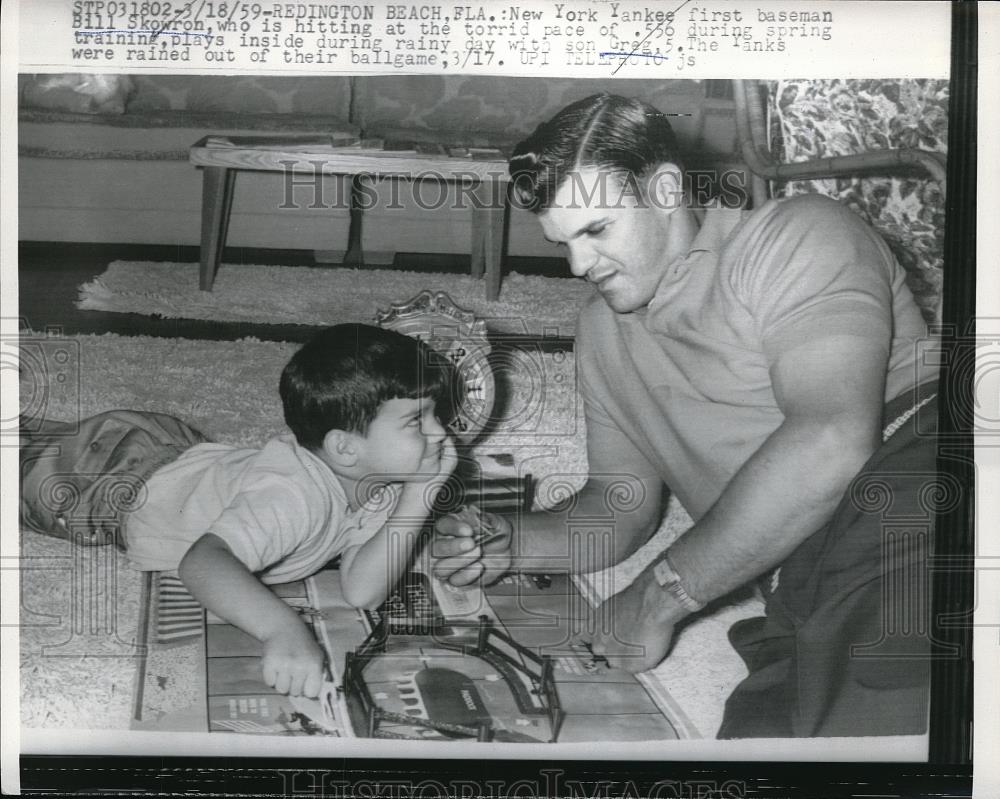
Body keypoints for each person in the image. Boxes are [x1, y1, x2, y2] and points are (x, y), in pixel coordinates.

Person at [431, 93, 941, 738]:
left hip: (914, 477)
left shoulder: (797, 233)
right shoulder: (602, 330)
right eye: (561, 241)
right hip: (797, 573)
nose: (579, 265)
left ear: (666, 189)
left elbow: (833, 440)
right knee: (764, 741)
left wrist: (658, 597)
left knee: (894, 708)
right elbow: (619, 506)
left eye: (596, 229)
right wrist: (515, 540)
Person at [21, 323, 458, 698]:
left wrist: (420, 495)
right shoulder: (293, 496)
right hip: (105, 479)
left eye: (434, 415)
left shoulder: (377, 486)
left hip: (174, 453)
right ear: (345, 447)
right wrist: (282, 629)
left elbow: (363, 592)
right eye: (416, 421)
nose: (440, 432)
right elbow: (202, 562)